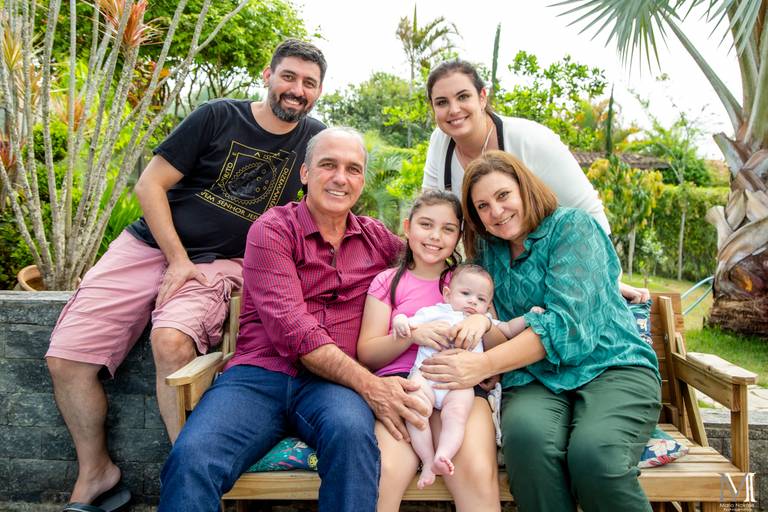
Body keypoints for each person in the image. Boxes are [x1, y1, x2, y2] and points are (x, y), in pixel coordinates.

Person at [45, 39, 327, 510]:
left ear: (319, 91)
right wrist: (176, 261)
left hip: (224, 262)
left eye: (309, 83)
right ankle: (96, 471)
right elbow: (149, 184)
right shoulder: (218, 116)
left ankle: (193, 480)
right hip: (149, 246)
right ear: (268, 74)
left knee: (173, 341)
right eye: (289, 76)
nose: (297, 89)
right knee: (66, 360)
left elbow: (320, 211)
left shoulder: (313, 140)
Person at [159, 127, 429, 512]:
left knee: (352, 437)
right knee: (192, 458)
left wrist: (481, 316)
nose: (340, 178)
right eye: (328, 165)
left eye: (353, 169)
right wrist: (372, 386)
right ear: (304, 173)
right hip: (258, 377)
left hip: (332, 386)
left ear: (362, 181)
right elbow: (293, 331)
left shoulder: (377, 240)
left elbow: (434, 263)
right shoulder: (272, 230)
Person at [420, 150, 662, 512]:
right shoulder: (487, 251)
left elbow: (565, 325)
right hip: (535, 376)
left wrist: (484, 365)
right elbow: (490, 324)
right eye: (483, 206)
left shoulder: (572, 226)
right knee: (528, 444)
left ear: (525, 189)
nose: (496, 212)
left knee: (595, 455)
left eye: (503, 196)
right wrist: (483, 331)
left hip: (611, 364)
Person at [422, 58, 649, 304]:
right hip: (493, 272)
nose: (454, 110)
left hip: (550, 268)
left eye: (463, 97)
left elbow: (589, 211)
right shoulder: (440, 142)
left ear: (482, 97)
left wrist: (603, 277)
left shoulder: (530, 140)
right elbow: (433, 212)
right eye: (442, 102)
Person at [357, 190, 500, 512]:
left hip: (461, 386)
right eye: (425, 224)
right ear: (407, 228)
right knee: (387, 470)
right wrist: (412, 336)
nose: (435, 236)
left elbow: (496, 338)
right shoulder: (388, 281)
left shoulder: (468, 283)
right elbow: (367, 352)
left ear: (459, 237)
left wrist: (484, 325)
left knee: (475, 469)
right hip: (403, 389)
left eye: (448, 229)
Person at [391, 263, 541, 489]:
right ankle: (427, 458)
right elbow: (409, 322)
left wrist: (529, 317)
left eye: (481, 299)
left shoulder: (484, 322)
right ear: (448, 294)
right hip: (426, 377)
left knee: (457, 415)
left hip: (459, 385)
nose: (473, 301)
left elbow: (509, 329)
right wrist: (400, 322)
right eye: (466, 294)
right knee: (415, 409)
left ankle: (444, 454)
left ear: (488, 305)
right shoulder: (436, 312)